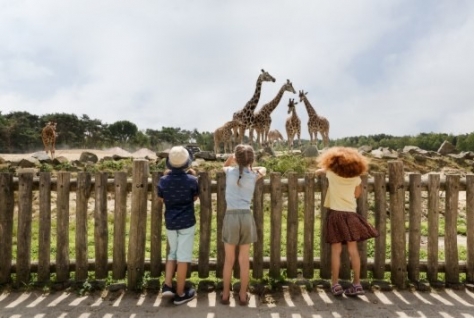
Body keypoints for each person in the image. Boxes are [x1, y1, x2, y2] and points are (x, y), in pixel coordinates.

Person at [315, 146, 379, 297]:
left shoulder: (331, 174)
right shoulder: (356, 178)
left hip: (336, 215)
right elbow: (357, 194)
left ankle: (335, 284)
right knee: (353, 250)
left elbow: (318, 171)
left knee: (336, 251)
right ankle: (356, 284)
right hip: (351, 216)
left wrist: (325, 169)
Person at [221, 144, 267, 306]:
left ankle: (225, 294)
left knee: (229, 259)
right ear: (251, 159)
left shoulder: (230, 172)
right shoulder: (254, 175)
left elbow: (224, 166)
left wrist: (231, 158)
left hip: (231, 216)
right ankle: (242, 295)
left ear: (236, 158)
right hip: (246, 216)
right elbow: (264, 168)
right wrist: (250, 164)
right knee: (244, 259)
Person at [157, 146, 199, 305]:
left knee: (172, 253)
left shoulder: (163, 181)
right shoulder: (192, 180)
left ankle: (168, 285)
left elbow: (161, 199)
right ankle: (180, 293)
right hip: (187, 222)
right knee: (183, 257)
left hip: (171, 222)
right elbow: (195, 197)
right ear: (186, 163)